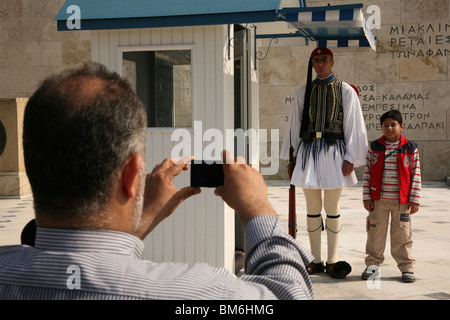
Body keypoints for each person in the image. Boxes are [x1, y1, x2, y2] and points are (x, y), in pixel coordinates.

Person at [0, 63, 314, 300]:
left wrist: (140, 219)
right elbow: (288, 294)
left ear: (32, 166)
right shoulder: (201, 292)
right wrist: (256, 206)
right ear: (132, 176)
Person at [281, 47, 367, 278]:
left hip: (333, 153)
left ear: (332, 62)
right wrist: (293, 156)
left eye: (324, 60)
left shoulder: (345, 90)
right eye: (316, 61)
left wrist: (351, 157)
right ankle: (316, 260)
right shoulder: (303, 92)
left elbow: (353, 125)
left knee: (332, 208)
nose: (320, 64)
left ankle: (332, 259)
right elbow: (295, 126)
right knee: (311, 209)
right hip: (309, 152)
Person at [361, 109, 421, 283]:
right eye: (385, 125)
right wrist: (367, 196)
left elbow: (415, 175)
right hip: (379, 201)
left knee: (403, 235)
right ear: (381, 128)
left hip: (402, 202)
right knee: (375, 234)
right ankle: (373, 264)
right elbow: (368, 173)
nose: (389, 128)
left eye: (393, 125)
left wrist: (414, 199)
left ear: (401, 127)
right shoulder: (374, 147)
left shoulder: (411, 149)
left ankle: (406, 267)